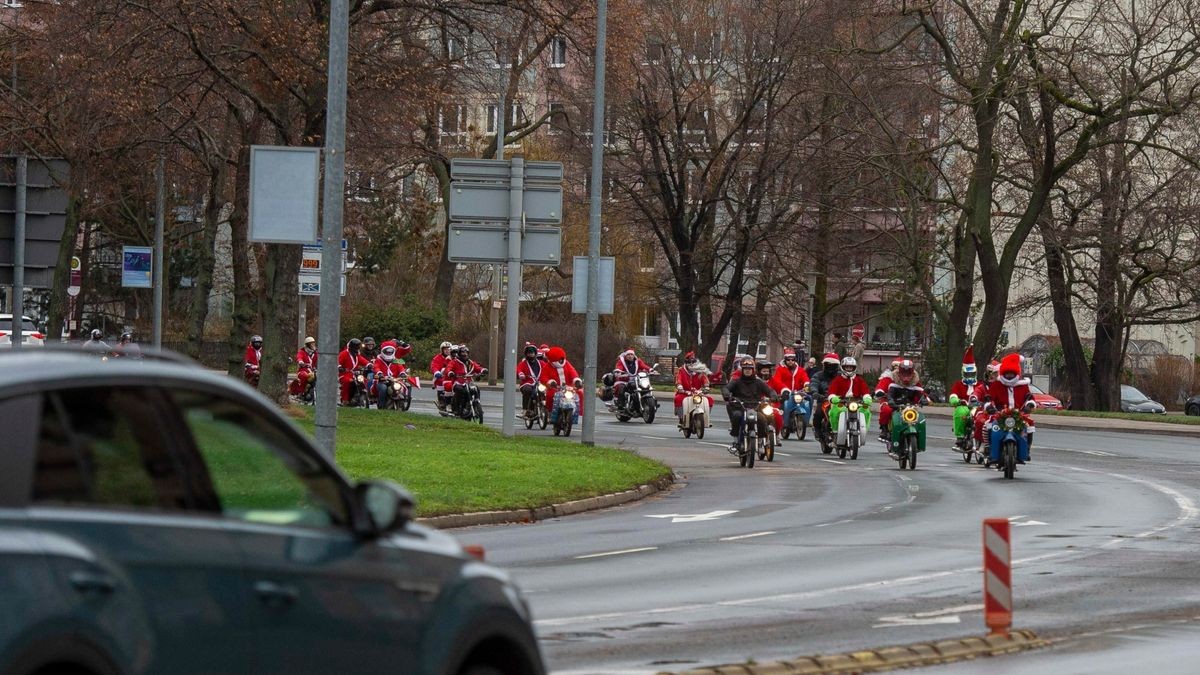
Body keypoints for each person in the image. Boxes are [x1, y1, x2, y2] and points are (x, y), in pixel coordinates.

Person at [721, 356, 776, 440]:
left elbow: (769, 390)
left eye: (749, 369)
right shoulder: (736, 381)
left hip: (756, 408)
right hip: (740, 407)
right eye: (745, 369)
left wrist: (773, 396)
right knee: (736, 415)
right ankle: (736, 438)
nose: (747, 370)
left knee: (762, 418)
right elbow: (726, 388)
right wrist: (726, 394)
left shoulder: (759, 382)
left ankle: (761, 440)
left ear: (753, 370)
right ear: (742, 370)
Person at [828, 356, 871, 448]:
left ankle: (863, 430)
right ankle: (835, 432)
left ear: (854, 368)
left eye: (851, 367)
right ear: (842, 367)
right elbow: (832, 392)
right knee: (835, 412)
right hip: (842, 402)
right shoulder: (838, 379)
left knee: (866, 411)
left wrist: (867, 398)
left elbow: (865, 391)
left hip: (856, 403)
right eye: (847, 367)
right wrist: (833, 398)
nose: (849, 369)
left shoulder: (859, 380)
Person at [876, 359, 920, 442]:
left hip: (907, 402)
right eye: (895, 366)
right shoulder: (889, 377)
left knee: (917, 414)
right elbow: (881, 387)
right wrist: (880, 392)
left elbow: (919, 391)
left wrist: (924, 399)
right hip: (889, 400)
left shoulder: (914, 379)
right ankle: (884, 429)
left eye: (898, 366)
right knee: (887, 410)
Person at [769, 348, 811, 428]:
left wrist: (807, 385)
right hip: (785, 393)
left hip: (798, 392)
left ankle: (806, 420)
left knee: (809, 400)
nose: (790, 361)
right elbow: (777, 381)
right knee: (784, 404)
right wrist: (784, 390)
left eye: (793, 359)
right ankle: (783, 421)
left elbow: (805, 377)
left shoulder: (800, 370)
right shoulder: (780, 370)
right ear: (785, 360)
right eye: (788, 359)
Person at [542, 346, 583, 424]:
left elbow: (573, 372)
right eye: (559, 360)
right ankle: (551, 412)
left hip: (568, 387)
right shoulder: (547, 367)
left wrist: (577, 381)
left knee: (580, 393)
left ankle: (578, 412)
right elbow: (543, 377)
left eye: (562, 359)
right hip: (555, 388)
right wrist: (550, 382)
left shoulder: (567, 364)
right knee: (550, 396)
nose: (561, 361)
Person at [445, 345, 487, 415]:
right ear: (459, 354)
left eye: (466, 353)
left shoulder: (470, 362)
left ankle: (477, 403)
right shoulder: (454, 362)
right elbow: (448, 368)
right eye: (463, 353)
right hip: (458, 382)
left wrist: (483, 370)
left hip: (469, 382)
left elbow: (478, 368)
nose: (465, 355)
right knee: (460, 390)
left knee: (476, 389)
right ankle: (457, 408)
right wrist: (450, 373)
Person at [675, 351, 712, 427]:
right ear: (686, 363)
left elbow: (705, 380)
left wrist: (706, 386)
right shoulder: (681, 370)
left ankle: (706, 418)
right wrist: (679, 386)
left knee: (710, 400)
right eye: (689, 363)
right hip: (684, 392)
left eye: (693, 363)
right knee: (678, 399)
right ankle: (681, 419)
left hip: (698, 393)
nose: (691, 365)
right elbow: (678, 380)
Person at [372, 340, 408, 408]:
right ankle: (381, 406)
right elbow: (376, 367)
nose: (389, 353)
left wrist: (402, 373)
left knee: (401, 387)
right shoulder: (378, 360)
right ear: (383, 351)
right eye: (387, 352)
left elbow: (401, 367)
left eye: (390, 352)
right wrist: (380, 374)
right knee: (383, 388)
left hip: (394, 380)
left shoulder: (396, 360)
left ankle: (405, 399)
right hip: (382, 380)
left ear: (393, 351)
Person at [516, 343, 546, 417]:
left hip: (539, 383)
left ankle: (548, 410)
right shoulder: (523, 363)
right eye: (529, 353)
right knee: (527, 390)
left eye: (532, 353)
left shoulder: (541, 363)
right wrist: (521, 374)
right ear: (526, 354)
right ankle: (525, 410)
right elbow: (518, 369)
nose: (531, 355)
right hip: (527, 382)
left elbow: (547, 369)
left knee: (545, 391)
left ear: (535, 354)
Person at [337, 338, 370, 404]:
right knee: (347, 382)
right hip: (344, 374)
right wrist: (340, 367)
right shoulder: (343, 353)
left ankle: (363, 395)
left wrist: (369, 364)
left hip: (355, 374)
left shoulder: (357, 354)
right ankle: (345, 400)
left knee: (364, 380)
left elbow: (362, 360)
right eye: (357, 347)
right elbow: (338, 362)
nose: (358, 348)